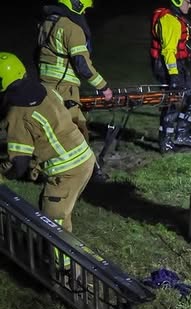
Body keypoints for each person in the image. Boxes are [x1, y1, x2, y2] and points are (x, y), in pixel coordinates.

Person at [0, 52, 96, 234]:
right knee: (50, 211)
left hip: (67, 171)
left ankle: (63, 262)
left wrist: (3, 173)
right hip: (84, 157)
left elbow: (19, 164)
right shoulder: (45, 89)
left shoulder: (18, 114)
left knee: (54, 227)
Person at [36, 0, 112, 144]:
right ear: (76, 5)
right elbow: (82, 65)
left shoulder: (46, 23)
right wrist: (104, 87)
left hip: (45, 85)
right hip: (64, 88)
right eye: (84, 10)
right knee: (74, 131)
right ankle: (79, 165)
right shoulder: (72, 28)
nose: (84, 13)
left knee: (58, 128)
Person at [150, 0, 191, 153]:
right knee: (173, 102)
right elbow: (168, 51)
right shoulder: (170, 20)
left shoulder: (176, 18)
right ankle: (166, 142)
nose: (190, 6)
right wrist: (174, 75)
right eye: (188, 2)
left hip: (179, 65)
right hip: (168, 66)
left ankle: (181, 134)